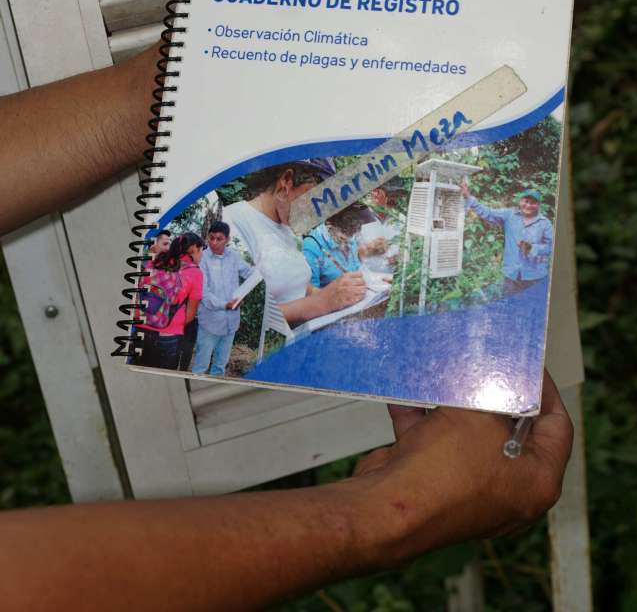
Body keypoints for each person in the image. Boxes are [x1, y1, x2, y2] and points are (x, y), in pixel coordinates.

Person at [0, 47, 574, 610]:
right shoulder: (230, 226)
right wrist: (393, 515)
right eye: (314, 195)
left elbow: (302, 285)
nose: (323, 208)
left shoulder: (285, 228)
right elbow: (246, 310)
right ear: (288, 182)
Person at [223, 159, 367, 325]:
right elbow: (241, 314)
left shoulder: (289, 228)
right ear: (287, 180)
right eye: (314, 200)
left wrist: (338, 293)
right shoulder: (233, 224)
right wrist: (322, 303)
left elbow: (298, 286)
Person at [461, 179, 554, 297]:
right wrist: (468, 196)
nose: (528, 205)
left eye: (533, 202)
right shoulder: (509, 215)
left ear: (538, 205)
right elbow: (487, 213)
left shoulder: (545, 223)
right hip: (511, 275)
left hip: (535, 276)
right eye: (526, 201)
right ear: (520, 201)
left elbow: (551, 247)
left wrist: (533, 248)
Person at [192, 220, 253, 377]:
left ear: (227, 239)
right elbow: (204, 294)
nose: (214, 242)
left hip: (230, 323)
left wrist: (243, 294)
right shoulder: (203, 259)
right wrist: (226, 304)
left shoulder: (233, 256)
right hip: (210, 322)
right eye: (211, 238)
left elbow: (250, 273)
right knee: (200, 366)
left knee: (220, 366)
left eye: (219, 239)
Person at [139, 232, 204, 370]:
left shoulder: (157, 260)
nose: (201, 255)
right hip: (168, 335)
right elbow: (190, 315)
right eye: (201, 251)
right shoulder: (195, 273)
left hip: (141, 329)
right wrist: (170, 321)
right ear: (194, 249)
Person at [303, 204, 369, 289]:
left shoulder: (350, 238)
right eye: (341, 239)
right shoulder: (311, 247)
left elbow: (357, 267)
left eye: (351, 239)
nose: (348, 243)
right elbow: (310, 294)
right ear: (329, 226)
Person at [358, 177, 406, 277]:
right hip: (365, 281)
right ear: (375, 193)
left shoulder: (402, 220)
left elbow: (408, 249)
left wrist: (401, 258)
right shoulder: (358, 218)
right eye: (391, 194)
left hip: (393, 281)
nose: (394, 199)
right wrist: (367, 250)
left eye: (397, 195)